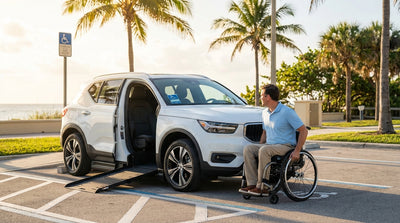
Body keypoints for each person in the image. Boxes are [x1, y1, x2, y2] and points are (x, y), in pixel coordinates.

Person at [239, 84, 308, 196]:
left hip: (285, 146)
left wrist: (297, 150)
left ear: (268, 97)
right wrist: (259, 147)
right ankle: (252, 183)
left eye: (262, 95)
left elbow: (303, 130)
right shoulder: (265, 113)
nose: (260, 97)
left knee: (264, 150)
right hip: (269, 145)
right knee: (249, 148)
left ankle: (263, 186)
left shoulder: (287, 112)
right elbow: (265, 132)